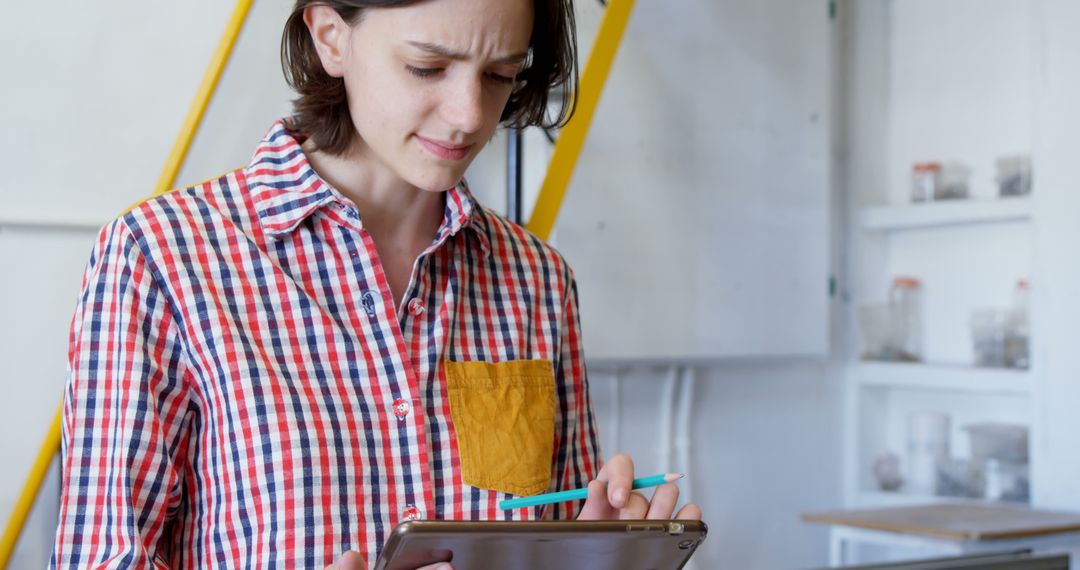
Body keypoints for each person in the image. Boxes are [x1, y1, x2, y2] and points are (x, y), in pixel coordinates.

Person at [51, 0, 702, 568]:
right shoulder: (164, 257)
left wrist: (590, 554)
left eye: (500, 74)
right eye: (427, 67)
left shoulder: (535, 279)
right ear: (331, 36)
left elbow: (548, 539)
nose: (468, 114)